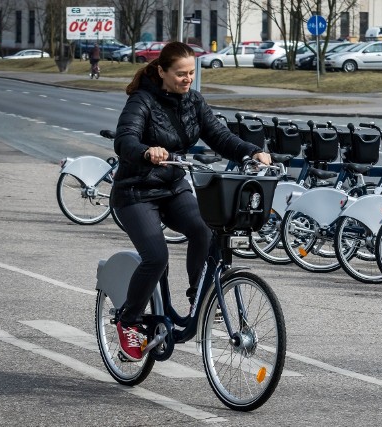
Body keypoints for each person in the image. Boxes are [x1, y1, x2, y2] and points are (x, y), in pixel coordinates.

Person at [111, 41, 271, 362]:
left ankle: (200, 294)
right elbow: (124, 138)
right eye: (181, 73)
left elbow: (220, 136)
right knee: (156, 257)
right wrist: (146, 151)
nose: (188, 79)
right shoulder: (142, 101)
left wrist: (251, 151)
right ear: (162, 72)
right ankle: (128, 321)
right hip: (135, 192)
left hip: (172, 187)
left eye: (192, 73)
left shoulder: (194, 102)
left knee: (204, 229)